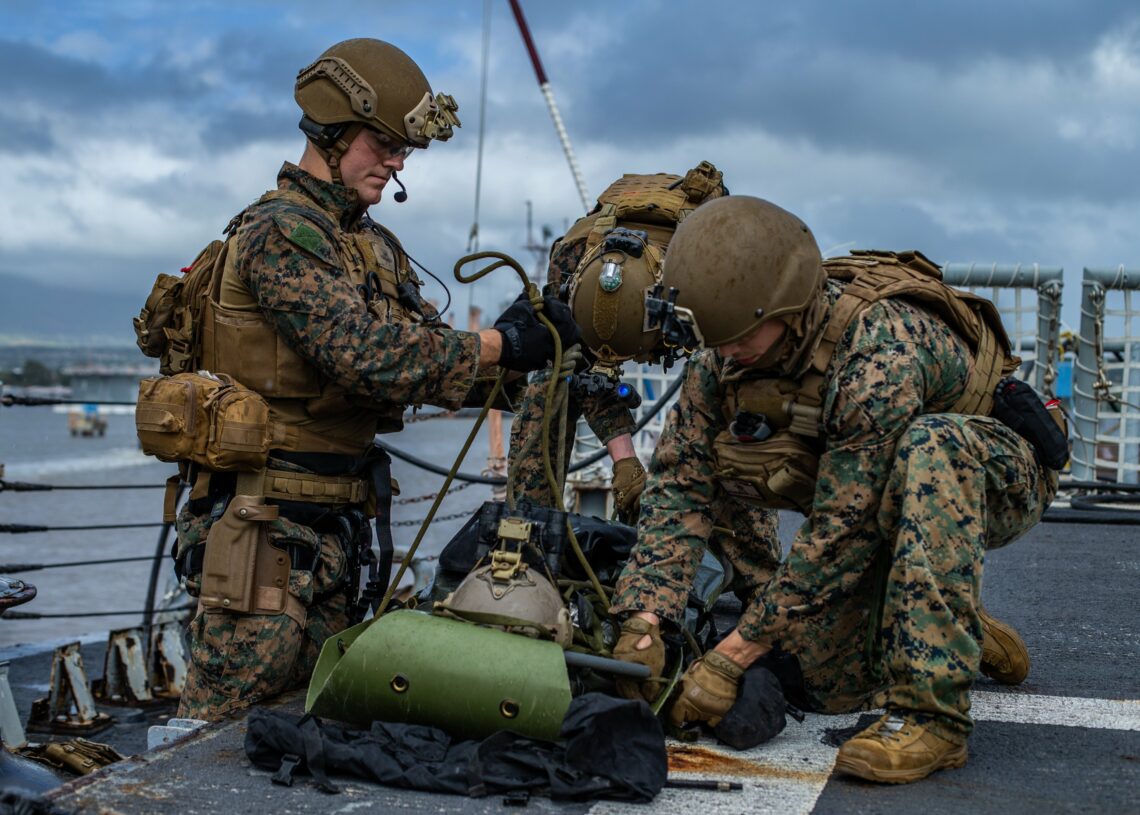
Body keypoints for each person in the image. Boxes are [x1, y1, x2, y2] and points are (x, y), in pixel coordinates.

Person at [159, 38, 579, 720]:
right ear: (331, 129)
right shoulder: (280, 233)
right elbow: (361, 352)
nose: (396, 161)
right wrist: (497, 345)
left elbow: (424, 355)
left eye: (401, 148)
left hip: (335, 532)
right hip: (264, 535)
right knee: (225, 740)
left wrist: (539, 346)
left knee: (315, 724)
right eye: (382, 142)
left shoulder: (374, 247)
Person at [609, 195, 1059, 783]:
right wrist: (646, 620)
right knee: (830, 688)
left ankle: (934, 718)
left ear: (786, 305)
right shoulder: (722, 357)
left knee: (931, 445)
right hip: (879, 496)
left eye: (737, 336)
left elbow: (840, 535)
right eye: (712, 341)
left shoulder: (877, 352)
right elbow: (680, 486)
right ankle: (946, 615)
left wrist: (731, 656)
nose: (723, 353)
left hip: (992, 475)